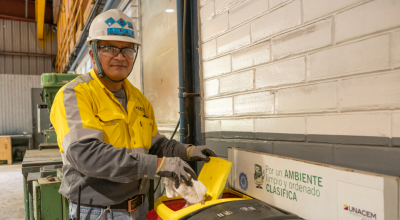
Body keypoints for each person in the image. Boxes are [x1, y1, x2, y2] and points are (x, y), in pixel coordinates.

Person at [50, 9, 216, 220]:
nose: (120, 57)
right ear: (92, 53)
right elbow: (85, 155)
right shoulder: (75, 95)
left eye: (128, 49)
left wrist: (188, 151)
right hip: (97, 212)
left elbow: (154, 144)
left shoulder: (138, 99)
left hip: (139, 207)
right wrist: (158, 165)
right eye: (110, 48)